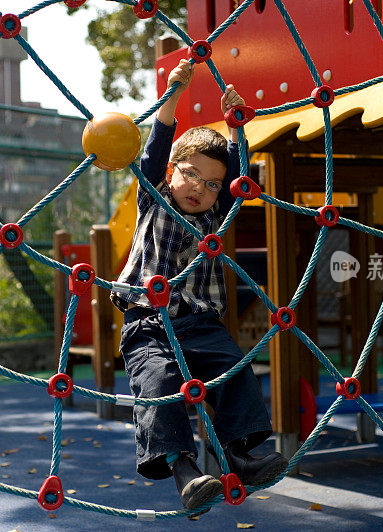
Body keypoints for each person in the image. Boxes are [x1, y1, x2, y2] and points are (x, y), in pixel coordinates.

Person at [110, 59, 288, 512]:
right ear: (171, 171)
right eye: (190, 173)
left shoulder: (214, 216)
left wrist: (235, 129)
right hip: (147, 323)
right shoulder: (153, 194)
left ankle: (242, 456)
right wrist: (173, 92)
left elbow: (240, 176)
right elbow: (157, 140)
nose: (199, 188)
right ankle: (185, 472)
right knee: (160, 382)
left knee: (235, 368)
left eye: (211, 183)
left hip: (200, 322)